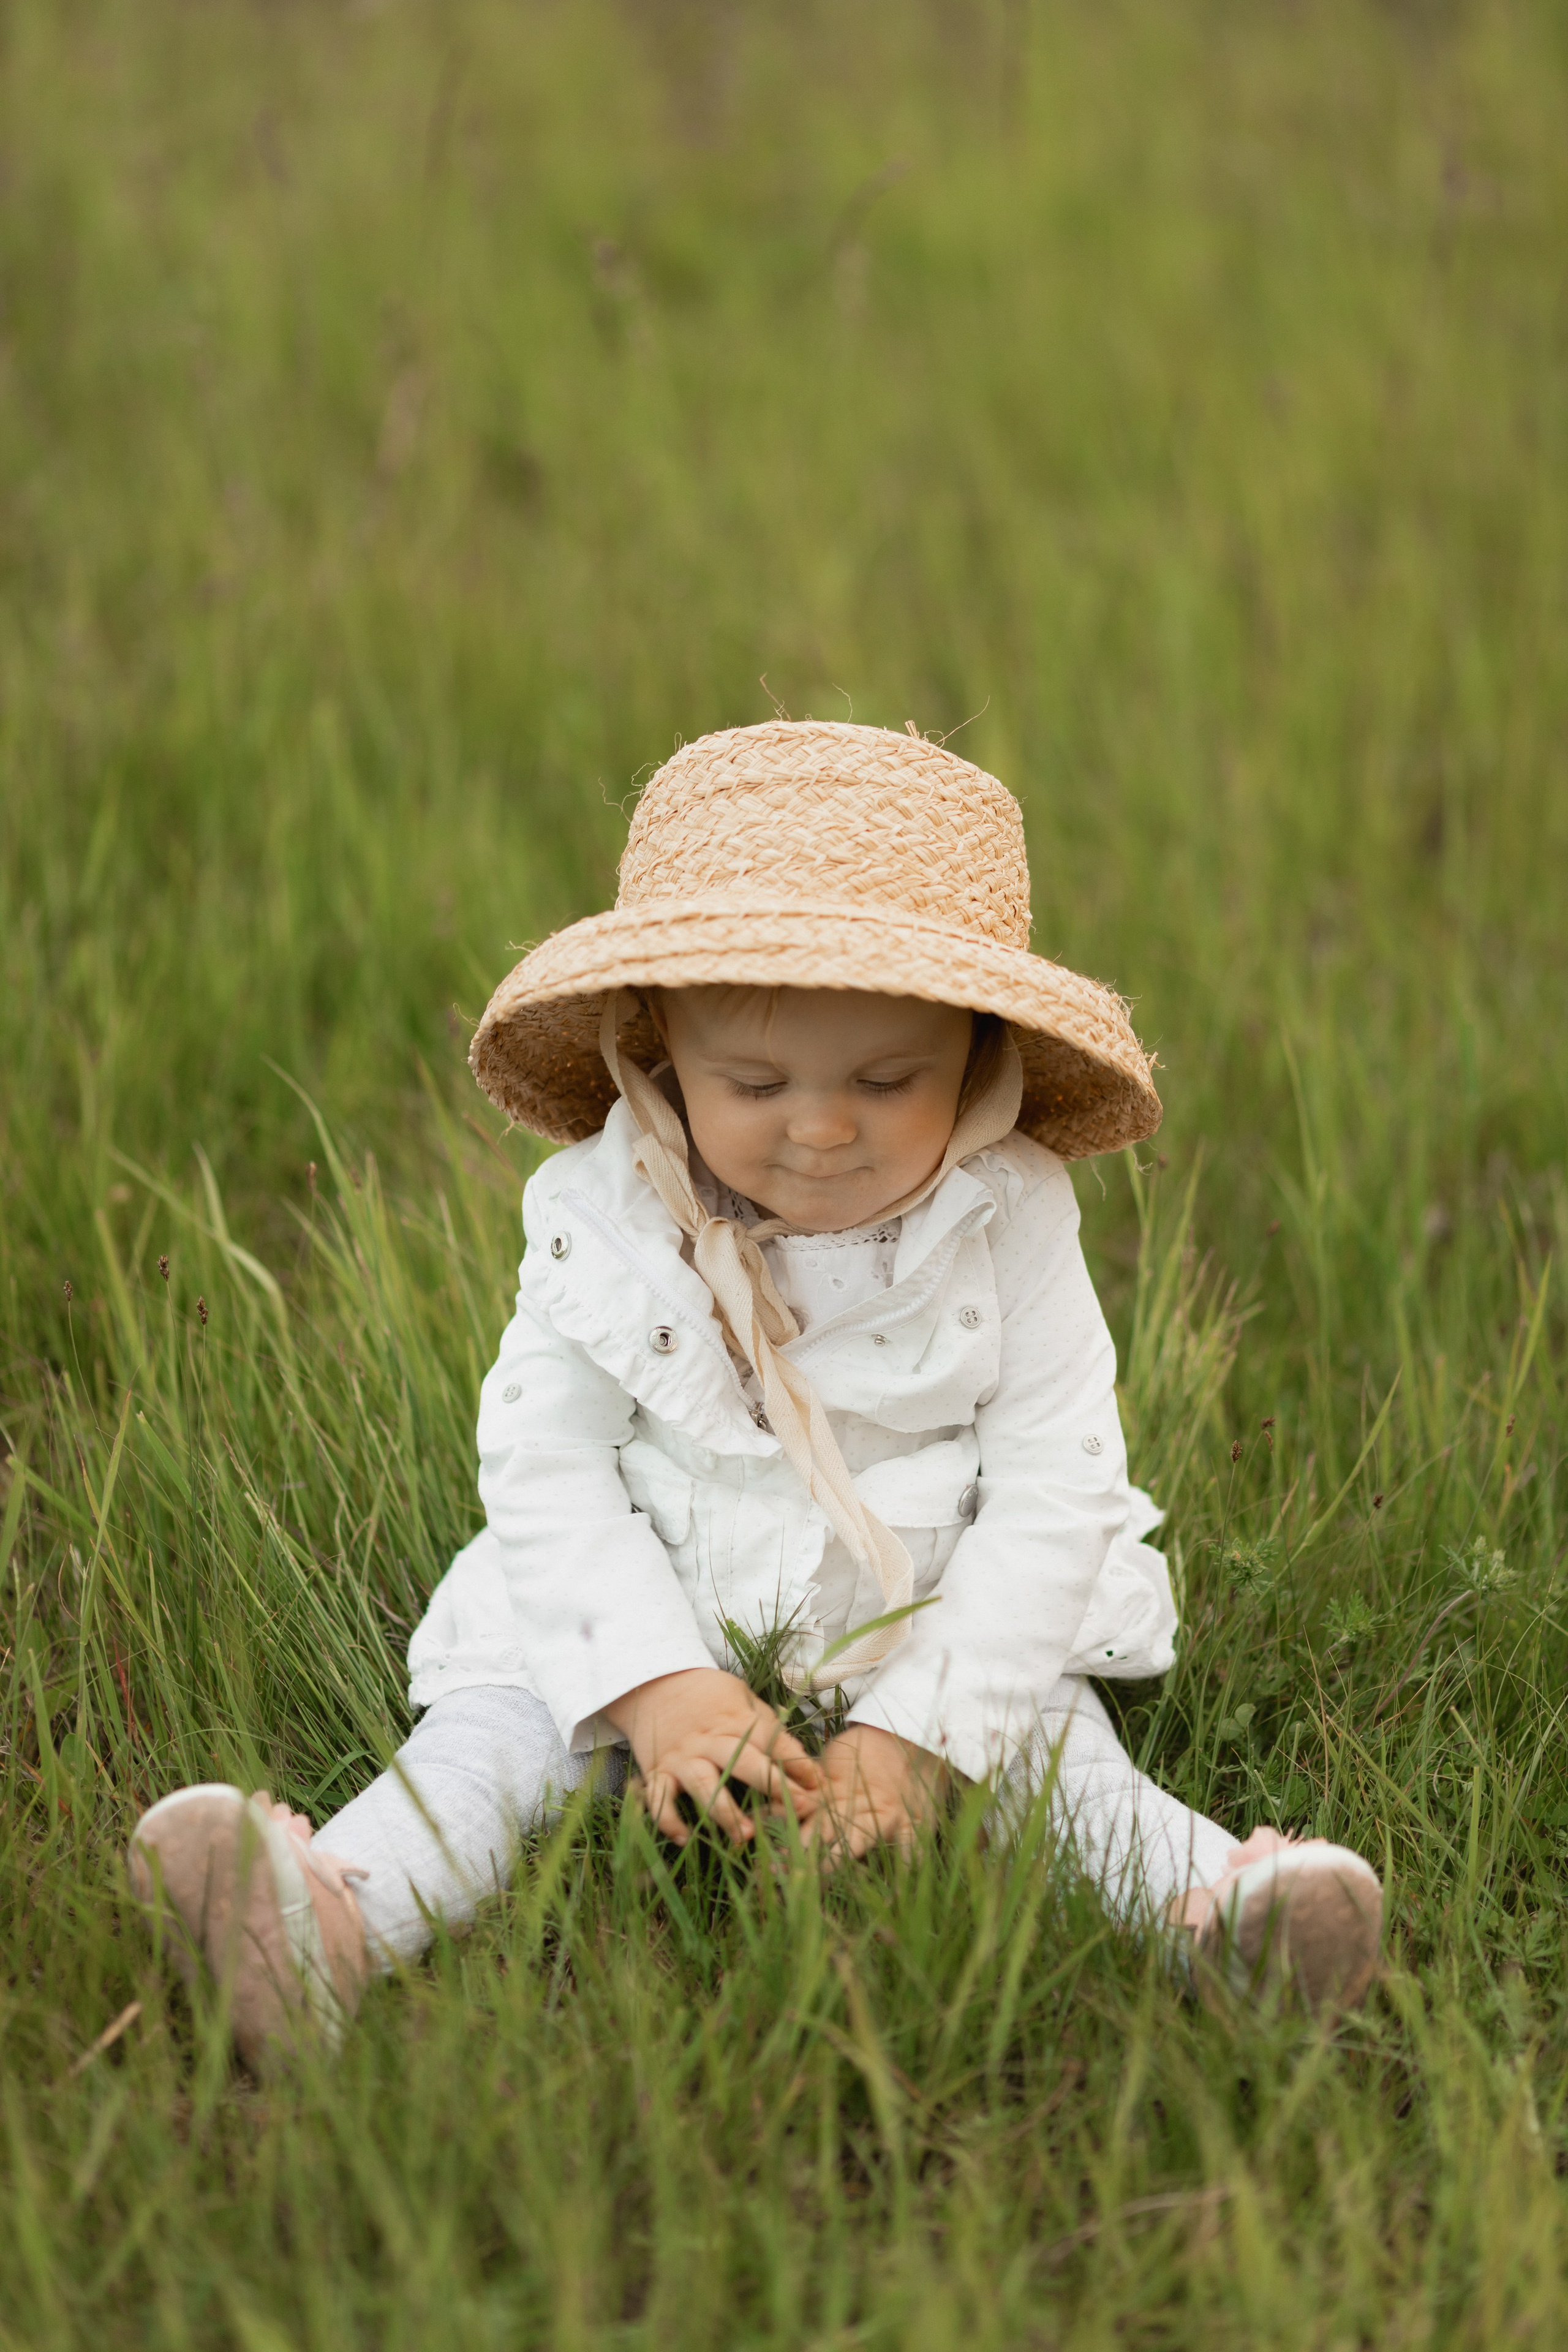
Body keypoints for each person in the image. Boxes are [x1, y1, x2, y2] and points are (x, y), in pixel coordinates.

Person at [129, 720, 1382, 2072]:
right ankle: (330, 1923)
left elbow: (1055, 1483)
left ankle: (1213, 1912)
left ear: (973, 1048)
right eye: (754, 1082)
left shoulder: (1006, 1213)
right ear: (660, 1045)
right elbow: (544, 1459)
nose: (821, 1126)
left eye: (886, 1081)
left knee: (1053, 1762)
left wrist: (916, 1735)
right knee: (490, 1740)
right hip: (649, 1597)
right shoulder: (605, 1208)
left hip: (923, 1611)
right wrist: (657, 1684)